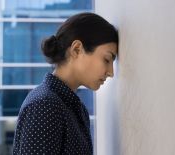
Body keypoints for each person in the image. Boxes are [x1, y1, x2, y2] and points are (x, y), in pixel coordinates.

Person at [12, 12, 118, 155]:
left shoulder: (76, 108)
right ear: (77, 49)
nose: (111, 72)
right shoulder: (44, 105)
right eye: (107, 59)